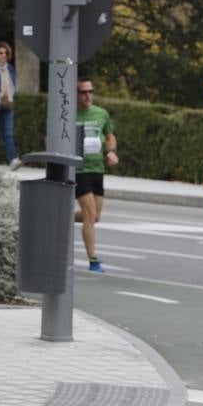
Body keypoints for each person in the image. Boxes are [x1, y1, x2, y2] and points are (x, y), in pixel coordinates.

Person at [75, 78, 118, 273]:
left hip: (97, 168)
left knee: (94, 217)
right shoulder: (69, 114)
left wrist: (111, 152)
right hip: (78, 170)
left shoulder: (101, 114)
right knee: (90, 215)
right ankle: (93, 261)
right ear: (76, 94)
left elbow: (109, 135)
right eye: (83, 92)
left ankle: (62, 217)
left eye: (90, 91)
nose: (88, 95)